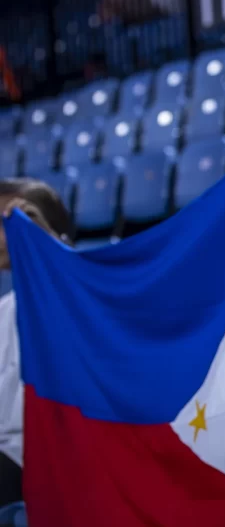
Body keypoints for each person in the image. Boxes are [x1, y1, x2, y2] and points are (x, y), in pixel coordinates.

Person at [0, 178, 75, 506]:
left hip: (33, 457)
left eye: (8, 222)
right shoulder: (6, 307)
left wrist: (47, 245)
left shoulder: (72, 296)